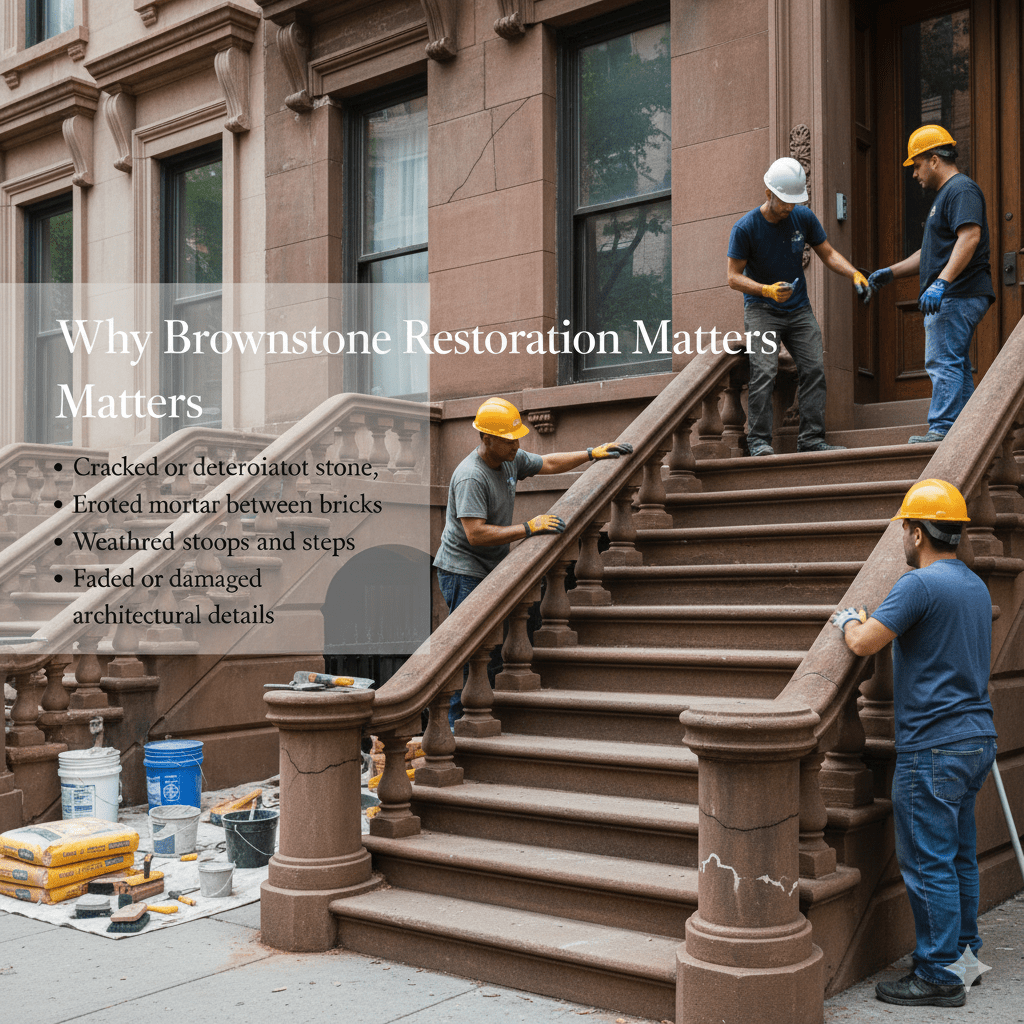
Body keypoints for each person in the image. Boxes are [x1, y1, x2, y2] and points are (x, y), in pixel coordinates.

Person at [831, 478, 996, 1008]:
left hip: (935, 746)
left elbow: (863, 640)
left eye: (906, 527)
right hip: (975, 739)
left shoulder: (918, 585)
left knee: (928, 862)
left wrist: (851, 621)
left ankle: (938, 973)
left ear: (917, 532)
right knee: (960, 856)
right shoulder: (974, 584)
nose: (904, 536)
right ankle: (964, 954)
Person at [433, 396, 633, 724]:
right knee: (467, 650)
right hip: (462, 571)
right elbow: (476, 534)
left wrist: (590, 454)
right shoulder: (472, 476)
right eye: (509, 440)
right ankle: (455, 726)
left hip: (491, 566)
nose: (516, 444)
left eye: (517, 438)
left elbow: (547, 463)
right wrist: (529, 527)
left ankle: (483, 713)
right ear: (487, 439)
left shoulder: (510, 458)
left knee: (493, 647)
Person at [727, 157, 871, 457]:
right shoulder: (745, 228)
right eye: (784, 202)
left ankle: (811, 438)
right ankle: (758, 441)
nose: (789, 208)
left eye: (794, 202)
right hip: (761, 309)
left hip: (798, 309)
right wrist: (765, 290)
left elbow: (828, 253)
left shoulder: (803, 218)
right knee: (764, 371)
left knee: (814, 368)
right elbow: (733, 278)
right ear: (769, 194)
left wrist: (854, 273)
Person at [868, 125, 995, 444]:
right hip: (956, 292)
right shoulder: (947, 196)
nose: (914, 174)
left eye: (916, 164)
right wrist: (890, 272)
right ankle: (966, 432)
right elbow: (931, 252)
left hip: (957, 293)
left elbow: (969, 236)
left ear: (934, 159)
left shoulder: (961, 190)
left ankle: (942, 430)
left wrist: (941, 283)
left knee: (943, 360)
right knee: (956, 364)